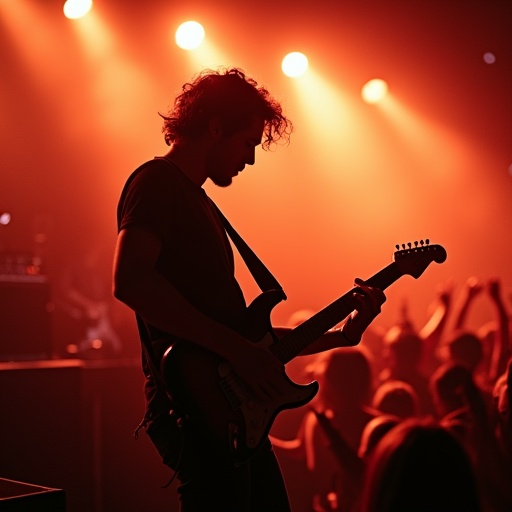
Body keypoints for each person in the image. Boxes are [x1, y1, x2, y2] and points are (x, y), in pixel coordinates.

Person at [112, 67, 386, 512]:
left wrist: (342, 338)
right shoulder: (156, 183)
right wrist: (238, 352)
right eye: (247, 144)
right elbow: (131, 281)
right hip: (192, 406)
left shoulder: (199, 202)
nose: (251, 160)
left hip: (229, 407)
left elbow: (248, 343)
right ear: (216, 127)